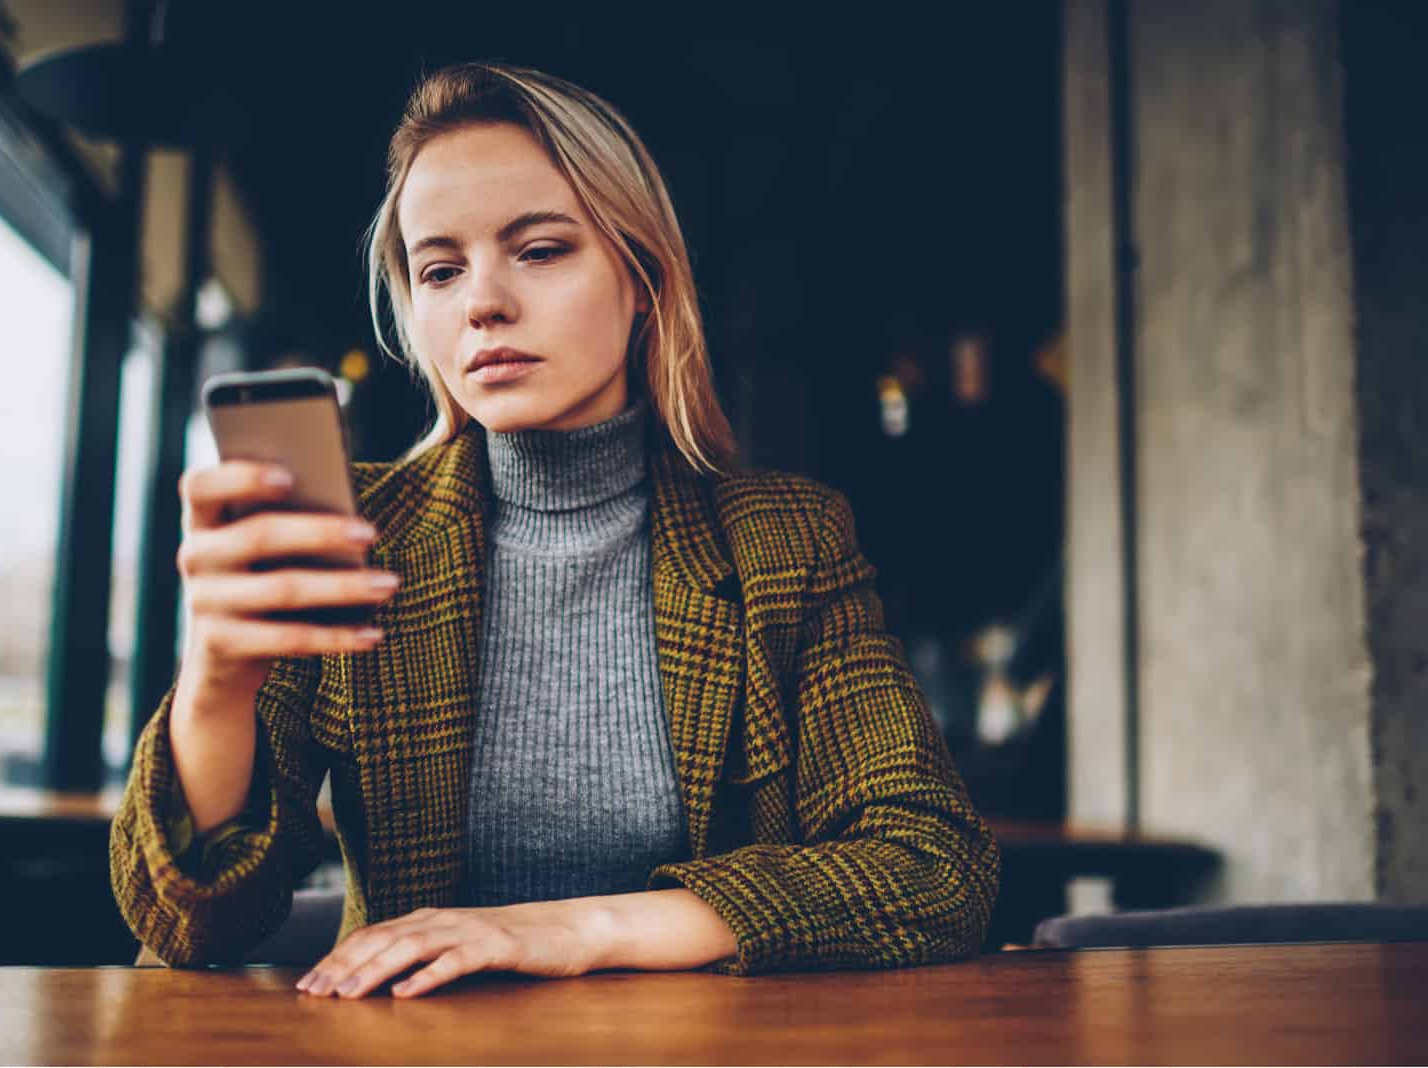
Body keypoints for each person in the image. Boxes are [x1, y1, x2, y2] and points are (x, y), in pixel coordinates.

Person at [110, 61, 999, 999]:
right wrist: (216, 687)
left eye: (538, 250)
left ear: (643, 278)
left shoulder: (788, 541)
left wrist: (575, 928)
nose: (482, 302)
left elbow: (934, 866)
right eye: (440, 270)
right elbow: (191, 922)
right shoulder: (358, 537)